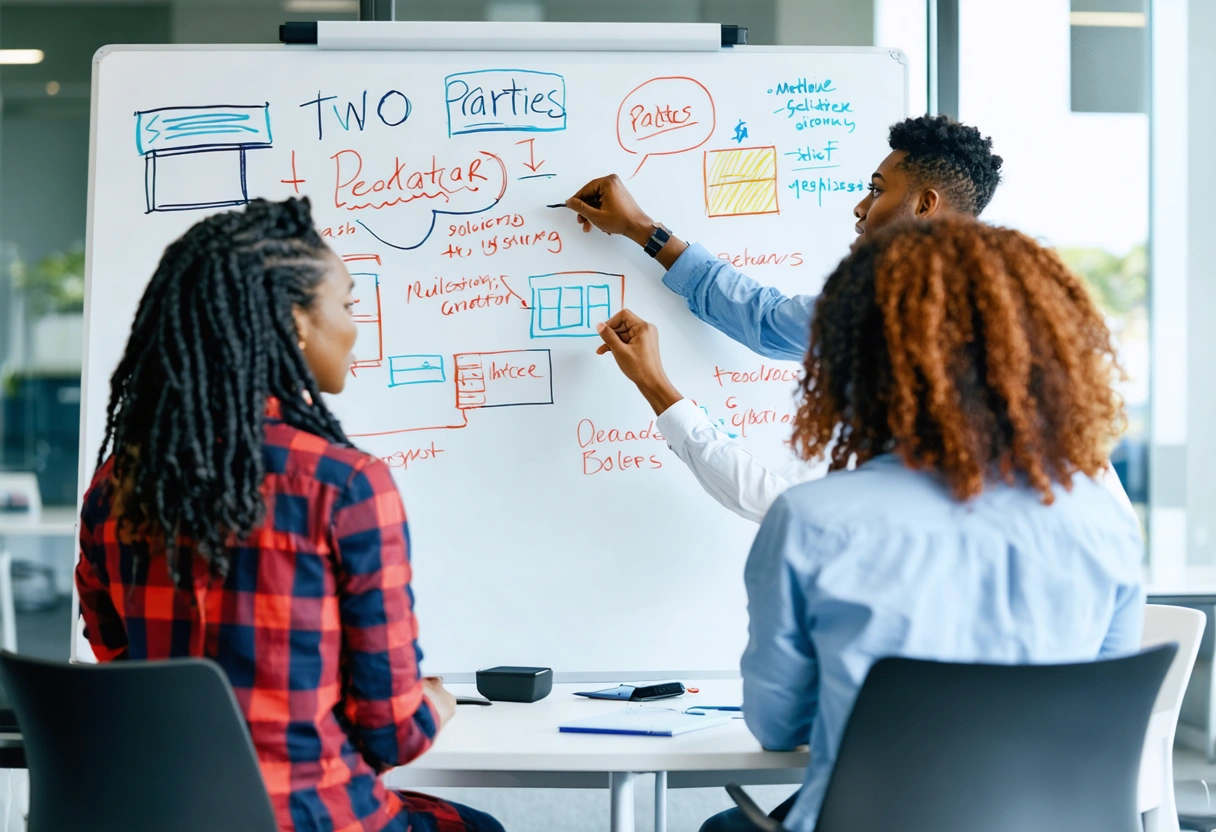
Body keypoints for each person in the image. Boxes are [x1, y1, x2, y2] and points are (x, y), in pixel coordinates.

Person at [686, 217, 1142, 832]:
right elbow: (1099, 716)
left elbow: (778, 726)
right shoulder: (1103, 523)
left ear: (857, 359)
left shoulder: (812, 522)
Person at [75, 198, 504, 832]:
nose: (357, 328)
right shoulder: (345, 486)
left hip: (161, 814)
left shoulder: (115, 486)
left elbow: (119, 663)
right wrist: (434, 704)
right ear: (294, 320)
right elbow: (393, 735)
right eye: (348, 305)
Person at [571, 114, 1013, 522]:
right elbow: (765, 319)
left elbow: (788, 507)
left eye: (878, 191)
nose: (861, 208)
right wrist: (640, 228)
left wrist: (654, 384)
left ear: (925, 205)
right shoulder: (873, 309)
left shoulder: (934, 350)